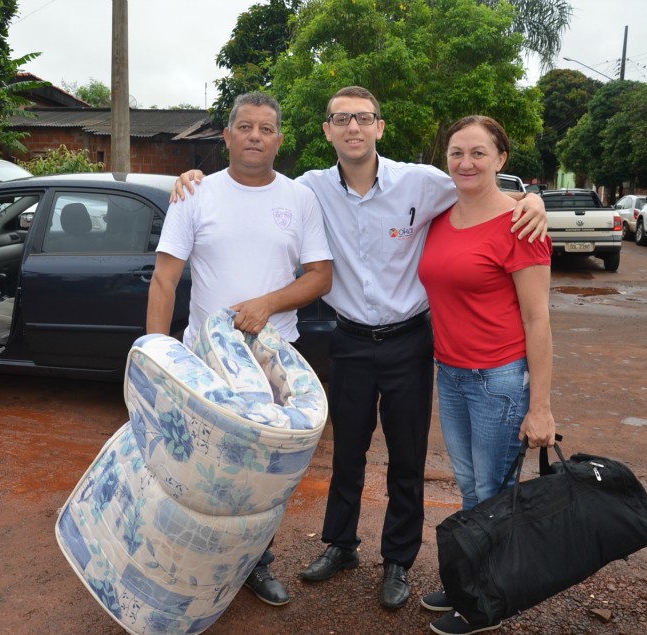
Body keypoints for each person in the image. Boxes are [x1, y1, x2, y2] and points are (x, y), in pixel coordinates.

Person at [172, 86, 547, 611]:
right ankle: (341, 545)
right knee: (346, 452)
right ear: (327, 130)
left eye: (363, 118)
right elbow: (250, 184)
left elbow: (480, 188)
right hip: (347, 339)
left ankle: (397, 561)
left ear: (380, 127)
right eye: (341, 119)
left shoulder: (422, 182)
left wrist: (532, 198)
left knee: (407, 456)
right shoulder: (308, 190)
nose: (353, 127)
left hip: (409, 341)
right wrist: (189, 178)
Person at [146, 91, 333, 607]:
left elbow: (321, 276)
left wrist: (269, 303)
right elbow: (165, 282)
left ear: (279, 139)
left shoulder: (299, 199)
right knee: (202, 474)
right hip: (206, 367)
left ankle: (256, 563)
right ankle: (194, 567)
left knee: (263, 481)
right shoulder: (195, 194)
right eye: (245, 127)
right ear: (227, 136)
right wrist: (159, 360)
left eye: (266, 128)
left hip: (276, 366)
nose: (255, 136)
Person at [417, 115, 555, 635]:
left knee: (493, 496)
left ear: (501, 159)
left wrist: (540, 406)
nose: (466, 163)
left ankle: (484, 602)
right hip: (450, 375)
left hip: (498, 379)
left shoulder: (520, 224)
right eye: (456, 152)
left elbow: (538, 318)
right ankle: (468, 584)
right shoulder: (441, 217)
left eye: (479, 153)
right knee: (473, 488)